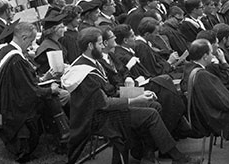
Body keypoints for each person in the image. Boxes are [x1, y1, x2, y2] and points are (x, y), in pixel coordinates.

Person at [63, 27, 199, 164]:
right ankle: (178, 158)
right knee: (150, 114)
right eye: (99, 43)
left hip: (106, 111)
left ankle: (148, 153)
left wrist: (139, 93)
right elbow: (104, 103)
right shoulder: (85, 72)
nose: (102, 45)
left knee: (154, 105)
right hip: (98, 118)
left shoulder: (93, 61)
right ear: (90, 46)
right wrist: (135, 99)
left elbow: (111, 91)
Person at [0, 22, 70, 163]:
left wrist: (43, 78)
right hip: (7, 105)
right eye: (30, 41)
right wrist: (50, 89)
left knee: (51, 96)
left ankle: (63, 135)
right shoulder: (15, 59)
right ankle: (63, 136)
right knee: (52, 98)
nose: (30, 46)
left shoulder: (3, 48)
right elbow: (28, 91)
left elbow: (22, 83)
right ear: (23, 37)